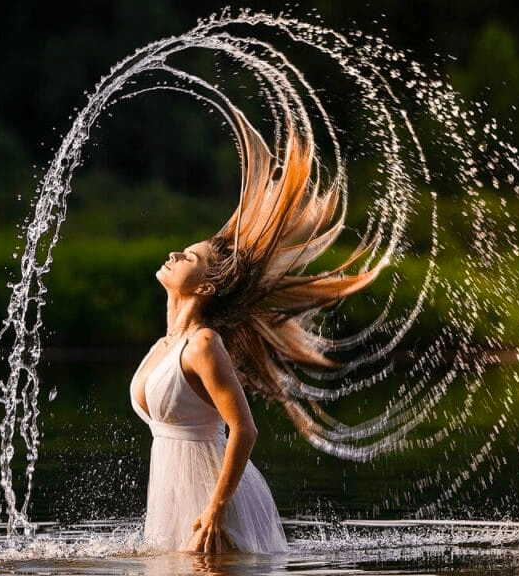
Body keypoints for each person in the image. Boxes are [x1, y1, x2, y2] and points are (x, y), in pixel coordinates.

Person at [129, 109, 383, 554]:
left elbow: (244, 429)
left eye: (189, 257)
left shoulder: (203, 344)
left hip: (216, 506)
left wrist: (215, 509)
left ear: (206, 286)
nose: (175, 252)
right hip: (176, 500)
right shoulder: (164, 346)